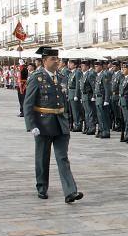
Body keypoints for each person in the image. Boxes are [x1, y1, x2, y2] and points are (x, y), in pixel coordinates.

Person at [24, 46, 84, 203]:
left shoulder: (62, 77)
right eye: (53, 59)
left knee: (62, 157)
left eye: (57, 59)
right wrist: (31, 125)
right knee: (42, 157)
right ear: (44, 61)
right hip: (43, 123)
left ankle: (70, 191)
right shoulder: (36, 78)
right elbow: (28, 104)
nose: (57, 61)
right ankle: (42, 187)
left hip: (60, 122)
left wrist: (68, 118)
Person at [93, 60, 112, 138]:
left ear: (101, 67)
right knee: (100, 116)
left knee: (104, 116)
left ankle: (106, 132)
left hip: (102, 98)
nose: (96, 68)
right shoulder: (98, 75)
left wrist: (106, 100)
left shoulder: (104, 75)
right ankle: (101, 130)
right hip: (98, 98)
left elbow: (107, 88)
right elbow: (96, 88)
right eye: (95, 66)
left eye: (97, 66)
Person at [80, 59, 97, 135]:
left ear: (87, 66)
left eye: (83, 66)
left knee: (90, 113)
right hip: (84, 96)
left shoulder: (90, 74)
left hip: (89, 95)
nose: (81, 67)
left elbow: (93, 87)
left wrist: (93, 96)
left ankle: (92, 128)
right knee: (86, 113)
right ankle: (87, 127)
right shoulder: (84, 74)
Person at [67, 59, 83, 132]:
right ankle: (75, 124)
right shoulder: (71, 73)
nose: (69, 65)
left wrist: (76, 95)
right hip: (70, 93)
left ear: (75, 65)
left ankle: (78, 125)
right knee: (72, 111)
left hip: (74, 93)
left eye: (71, 63)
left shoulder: (77, 72)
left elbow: (77, 85)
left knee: (76, 111)